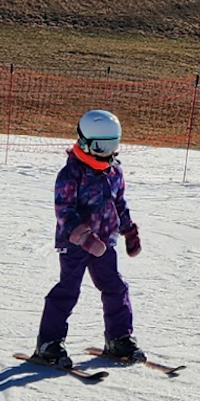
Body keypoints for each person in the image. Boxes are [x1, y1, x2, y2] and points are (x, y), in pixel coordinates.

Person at [28, 110, 144, 370]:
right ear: (85, 142)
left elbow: (119, 204)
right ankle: (48, 343)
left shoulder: (114, 172)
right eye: (102, 146)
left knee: (115, 287)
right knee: (68, 291)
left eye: (114, 145)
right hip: (75, 245)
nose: (109, 152)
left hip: (106, 242)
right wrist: (85, 238)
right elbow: (64, 213)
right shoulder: (70, 174)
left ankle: (119, 337)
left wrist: (129, 230)